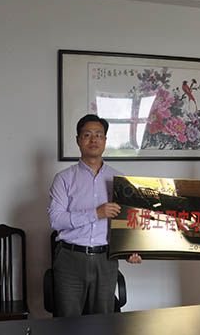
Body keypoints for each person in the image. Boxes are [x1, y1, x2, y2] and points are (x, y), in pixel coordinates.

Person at [48, 114, 141, 316]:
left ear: (105, 140)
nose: (93, 140)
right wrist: (96, 213)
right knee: (67, 324)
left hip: (105, 260)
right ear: (78, 140)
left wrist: (131, 250)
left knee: (102, 323)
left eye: (98, 135)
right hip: (70, 259)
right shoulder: (64, 178)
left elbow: (128, 222)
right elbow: (56, 220)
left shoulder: (119, 179)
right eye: (87, 135)